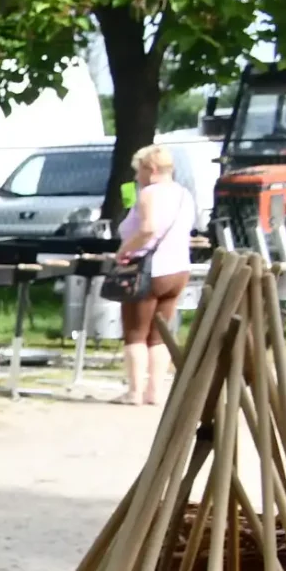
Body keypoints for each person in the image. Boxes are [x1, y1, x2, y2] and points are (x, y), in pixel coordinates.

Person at [112, 143, 197, 406]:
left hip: (150, 268)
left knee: (136, 332)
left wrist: (124, 251)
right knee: (160, 334)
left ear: (152, 169)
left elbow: (148, 229)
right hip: (178, 268)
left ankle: (135, 391)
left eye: (139, 170)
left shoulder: (149, 194)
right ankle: (155, 391)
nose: (136, 176)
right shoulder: (184, 194)